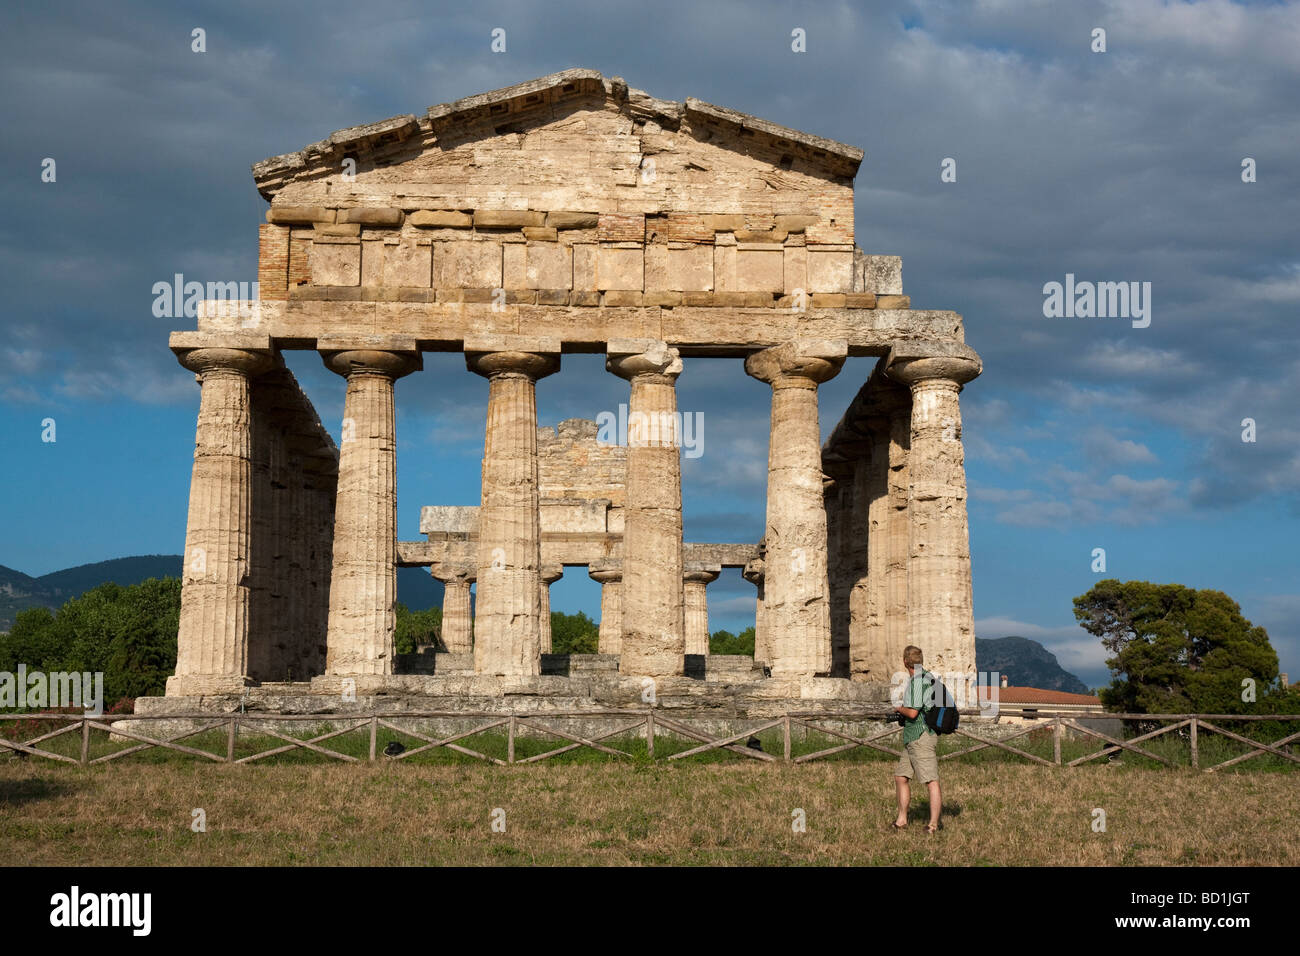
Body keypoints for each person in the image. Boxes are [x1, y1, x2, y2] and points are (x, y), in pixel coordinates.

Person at [892, 644, 942, 833]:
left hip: (921, 736)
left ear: (905, 662)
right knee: (900, 777)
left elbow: (913, 713)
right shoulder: (927, 677)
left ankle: (933, 825)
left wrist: (898, 708)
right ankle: (902, 820)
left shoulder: (919, 681)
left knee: (931, 780)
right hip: (912, 736)